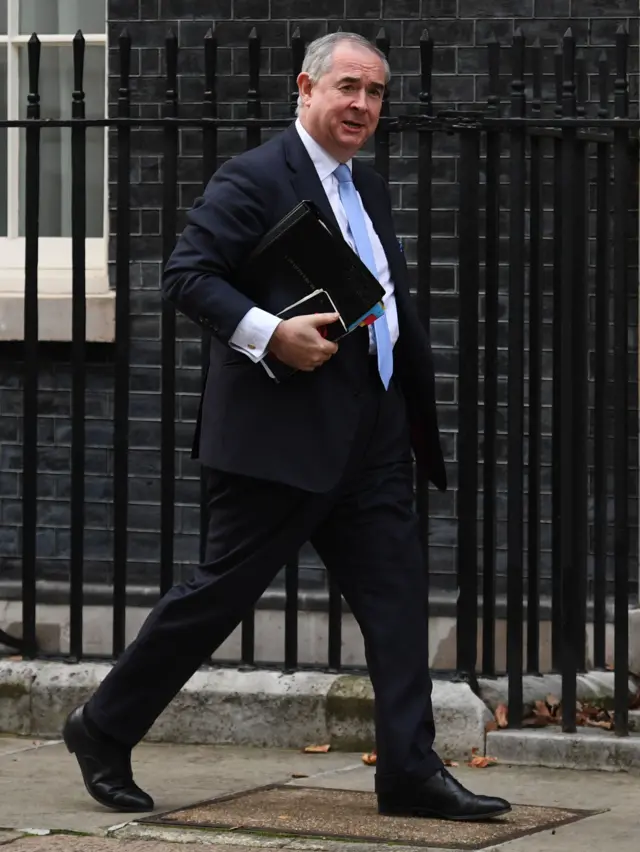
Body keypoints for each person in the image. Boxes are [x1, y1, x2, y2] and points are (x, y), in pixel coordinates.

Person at [62, 31, 510, 822]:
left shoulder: (365, 187)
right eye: (348, 88)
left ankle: (407, 771)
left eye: (375, 94)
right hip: (278, 439)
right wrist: (271, 333)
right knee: (214, 600)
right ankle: (101, 727)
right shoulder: (254, 176)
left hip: (369, 434)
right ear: (305, 88)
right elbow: (186, 275)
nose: (362, 106)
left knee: (399, 602)